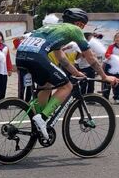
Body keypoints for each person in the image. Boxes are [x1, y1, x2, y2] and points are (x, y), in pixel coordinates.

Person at [15, 8, 118, 140]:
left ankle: (37, 118)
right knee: (67, 86)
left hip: (21, 56)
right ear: (80, 24)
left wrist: (75, 72)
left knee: (47, 84)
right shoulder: (74, 30)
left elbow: (61, 58)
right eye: (83, 26)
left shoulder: (54, 28)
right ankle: (42, 118)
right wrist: (104, 76)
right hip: (36, 57)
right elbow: (90, 58)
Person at [104, 33, 119, 104]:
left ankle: (117, 97)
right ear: (114, 39)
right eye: (116, 38)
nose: (118, 39)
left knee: (117, 82)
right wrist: (109, 56)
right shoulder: (111, 46)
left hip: (118, 67)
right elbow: (106, 54)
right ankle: (105, 98)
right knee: (107, 82)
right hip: (110, 67)